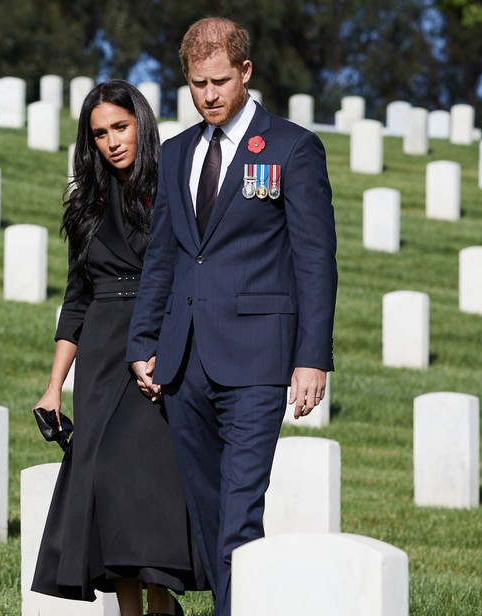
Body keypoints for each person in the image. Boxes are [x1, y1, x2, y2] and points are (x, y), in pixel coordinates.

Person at [127, 18, 337, 616]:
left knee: (240, 515)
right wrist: (144, 341)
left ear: (245, 72)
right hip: (184, 362)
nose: (209, 94)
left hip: (257, 363)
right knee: (209, 512)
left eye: (220, 81)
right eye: (197, 84)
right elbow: (164, 256)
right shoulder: (175, 153)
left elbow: (315, 259)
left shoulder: (293, 148)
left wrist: (311, 357)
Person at [31, 80, 204, 616]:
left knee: (143, 483)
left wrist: (166, 346)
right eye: (100, 133)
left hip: (154, 344)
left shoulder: (172, 186)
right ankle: (135, 611)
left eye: (120, 127)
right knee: (103, 483)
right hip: (103, 354)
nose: (112, 141)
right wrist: (53, 388)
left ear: (142, 124)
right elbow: (75, 301)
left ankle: (160, 603)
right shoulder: (85, 204)